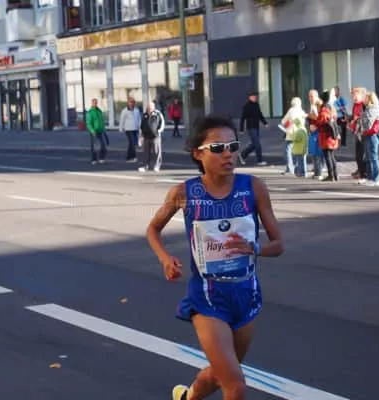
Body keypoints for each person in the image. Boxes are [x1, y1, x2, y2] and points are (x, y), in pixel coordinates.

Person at [146, 115, 284, 400]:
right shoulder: (183, 193)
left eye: (233, 146)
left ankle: (187, 397)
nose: (228, 154)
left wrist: (255, 248)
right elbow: (153, 229)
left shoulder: (253, 188)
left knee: (221, 374)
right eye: (218, 148)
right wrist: (165, 259)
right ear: (198, 154)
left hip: (246, 294)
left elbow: (279, 244)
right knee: (236, 386)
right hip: (208, 298)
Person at [239, 91, 269, 166]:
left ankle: (243, 155)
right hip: (251, 127)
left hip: (256, 126)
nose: (255, 97)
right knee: (257, 144)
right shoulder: (247, 106)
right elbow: (243, 118)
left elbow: (260, 114)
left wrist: (265, 123)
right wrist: (241, 129)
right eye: (254, 96)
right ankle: (260, 161)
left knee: (254, 144)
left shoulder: (256, 105)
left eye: (256, 96)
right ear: (250, 97)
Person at [280, 97, 307, 175]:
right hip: (300, 133)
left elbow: (283, 121)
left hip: (291, 133)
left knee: (287, 150)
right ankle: (300, 169)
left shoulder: (291, 110)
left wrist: (287, 124)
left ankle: (290, 168)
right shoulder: (302, 111)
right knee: (299, 152)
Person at [360, 92, 379, 186]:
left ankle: (377, 178)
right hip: (367, 134)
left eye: (365, 98)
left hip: (372, 135)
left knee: (373, 157)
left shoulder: (373, 109)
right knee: (368, 158)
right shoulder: (366, 109)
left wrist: (362, 116)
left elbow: (369, 123)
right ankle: (370, 178)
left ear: (369, 99)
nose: (363, 100)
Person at [317, 90, 339, 181]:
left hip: (326, 135)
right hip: (332, 134)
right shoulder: (331, 107)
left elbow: (322, 120)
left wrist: (317, 122)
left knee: (328, 155)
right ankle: (335, 174)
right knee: (331, 155)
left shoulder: (324, 108)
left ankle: (331, 175)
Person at [139, 101, 165, 172]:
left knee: (156, 152)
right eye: (148, 107)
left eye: (151, 107)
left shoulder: (157, 114)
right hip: (146, 136)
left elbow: (162, 123)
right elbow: (141, 125)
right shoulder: (144, 115)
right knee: (146, 153)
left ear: (153, 107)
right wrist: (141, 135)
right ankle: (145, 166)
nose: (149, 108)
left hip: (155, 136)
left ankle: (156, 166)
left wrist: (158, 131)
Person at [119, 97, 141, 163]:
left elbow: (139, 119)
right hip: (128, 129)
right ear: (128, 103)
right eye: (130, 102)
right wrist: (121, 128)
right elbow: (122, 120)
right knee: (132, 142)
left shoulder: (136, 110)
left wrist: (140, 128)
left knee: (132, 144)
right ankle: (133, 157)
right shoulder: (125, 111)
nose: (131, 103)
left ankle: (129, 157)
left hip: (135, 129)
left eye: (133, 102)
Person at [86, 98, 107, 165]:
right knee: (94, 146)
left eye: (96, 102)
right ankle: (93, 159)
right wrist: (92, 130)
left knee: (102, 145)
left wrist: (104, 129)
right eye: (94, 102)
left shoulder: (99, 111)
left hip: (100, 130)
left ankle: (101, 158)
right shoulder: (90, 112)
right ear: (92, 103)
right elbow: (89, 123)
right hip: (94, 131)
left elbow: (102, 121)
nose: (95, 104)